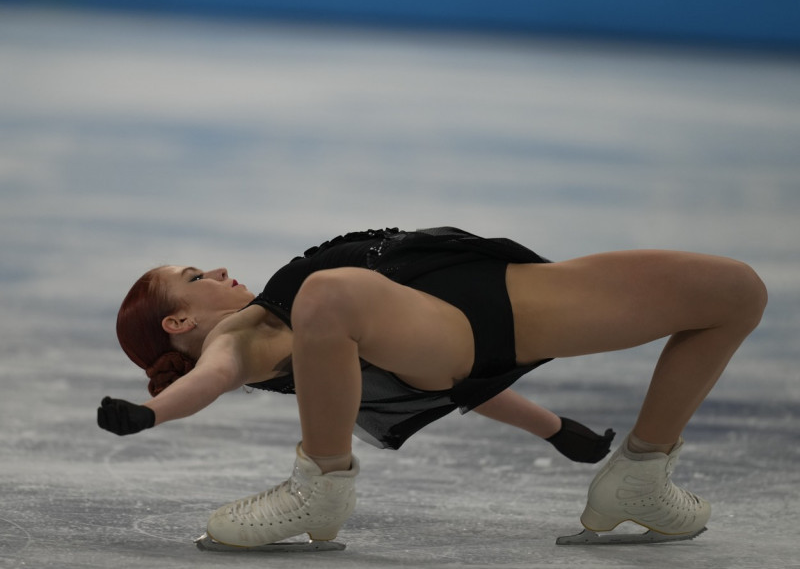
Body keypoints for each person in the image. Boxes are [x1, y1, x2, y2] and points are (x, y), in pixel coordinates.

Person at [97, 226, 767, 548]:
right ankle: (320, 488)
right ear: (179, 320)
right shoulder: (236, 342)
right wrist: (150, 415)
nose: (215, 267)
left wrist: (556, 430)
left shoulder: (292, 319)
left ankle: (644, 471)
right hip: (451, 326)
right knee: (330, 293)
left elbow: (457, 390)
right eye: (194, 274)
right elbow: (209, 383)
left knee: (736, 292)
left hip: (524, 297)